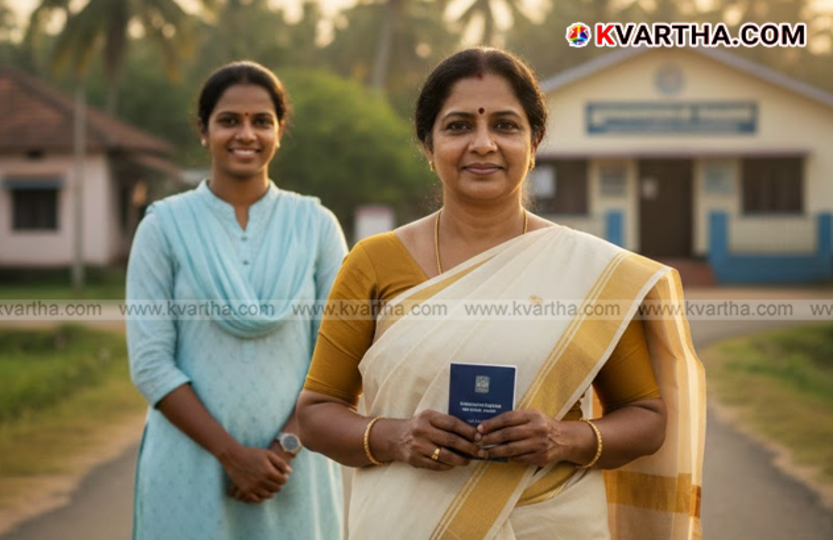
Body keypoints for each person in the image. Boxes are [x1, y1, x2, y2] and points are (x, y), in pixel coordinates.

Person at [297, 47, 705, 540]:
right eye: (459, 126)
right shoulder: (374, 263)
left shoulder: (590, 271)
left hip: (554, 524)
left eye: (506, 126)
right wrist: (396, 435)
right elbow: (317, 413)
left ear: (535, 143)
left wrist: (563, 437)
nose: (483, 143)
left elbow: (646, 417)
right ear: (428, 146)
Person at [126, 61, 346, 540]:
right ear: (204, 131)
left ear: (280, 131)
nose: (245, 133)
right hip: (189, 464)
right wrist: (231, 454)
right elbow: (149, 363)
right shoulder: (164, 226)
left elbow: (338, 356)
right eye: (229, 120)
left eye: (261, 121)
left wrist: (282, 449)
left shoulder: (317, 225)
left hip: (292, 469)